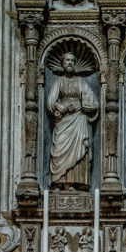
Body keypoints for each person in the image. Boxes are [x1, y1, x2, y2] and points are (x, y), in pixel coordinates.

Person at [48, 52, 99, 190]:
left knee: (80, 148)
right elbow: (50, 101)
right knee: (60, 148)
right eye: (67, 60)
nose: (70, 62)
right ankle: (60, 182)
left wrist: (81, 105)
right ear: (63, 63)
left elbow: (93, 102)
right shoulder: (59, 82)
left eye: (72, 60)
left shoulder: (81, 82)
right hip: (64, 120)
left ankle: (77, 183)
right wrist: (61, 107)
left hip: (79, 119)